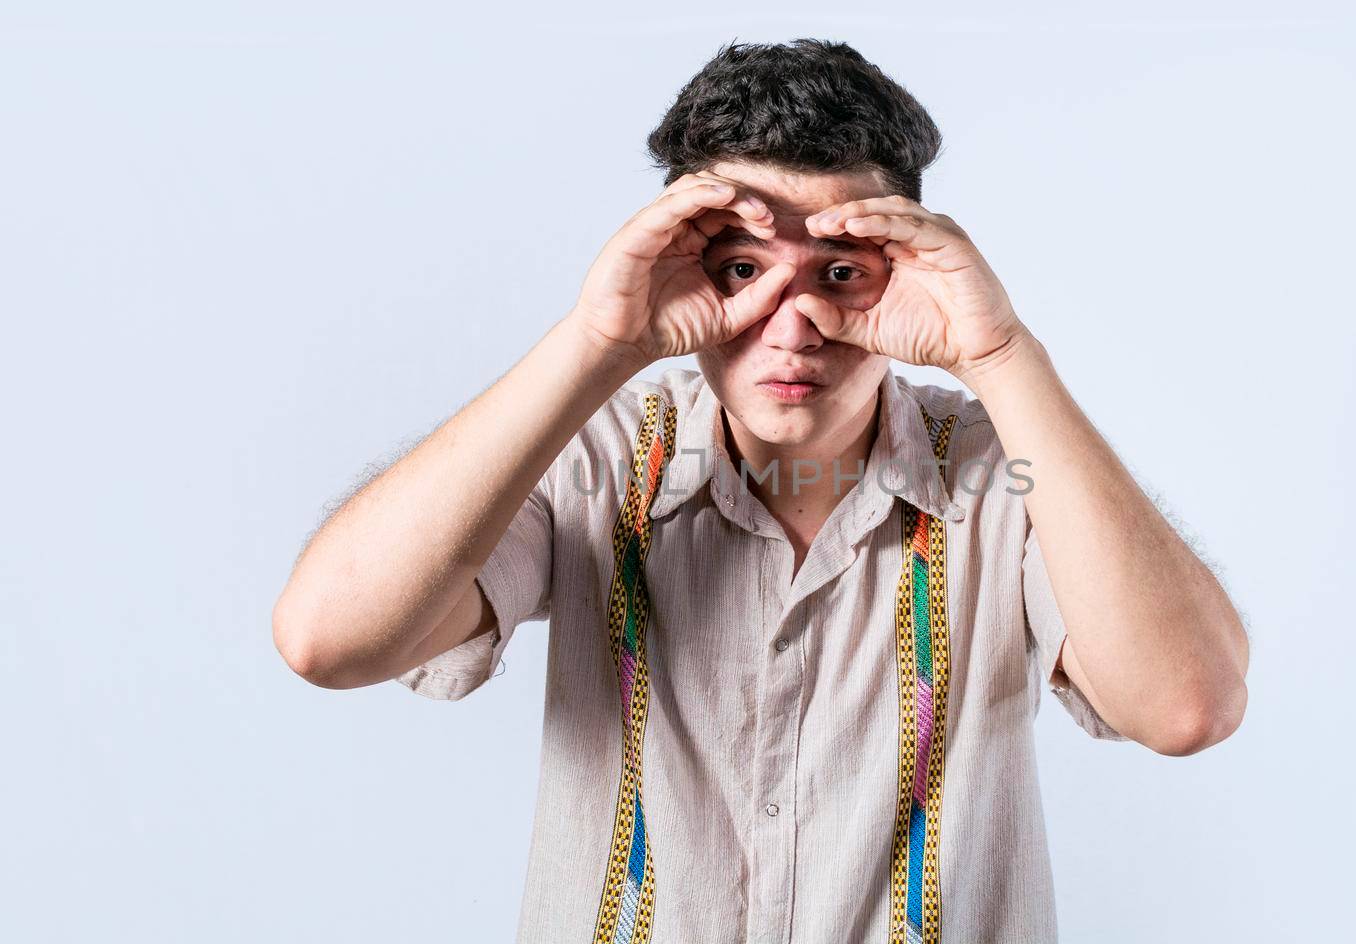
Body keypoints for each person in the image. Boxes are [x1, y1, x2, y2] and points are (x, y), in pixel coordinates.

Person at [272, 37, 1249, 944]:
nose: (793, 323)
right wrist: (595, 343)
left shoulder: (1001, 470)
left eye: (838, 272)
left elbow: (1185, 705)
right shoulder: (599, 457)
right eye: (742, 269)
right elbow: (328, 639)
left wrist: (998, 351)